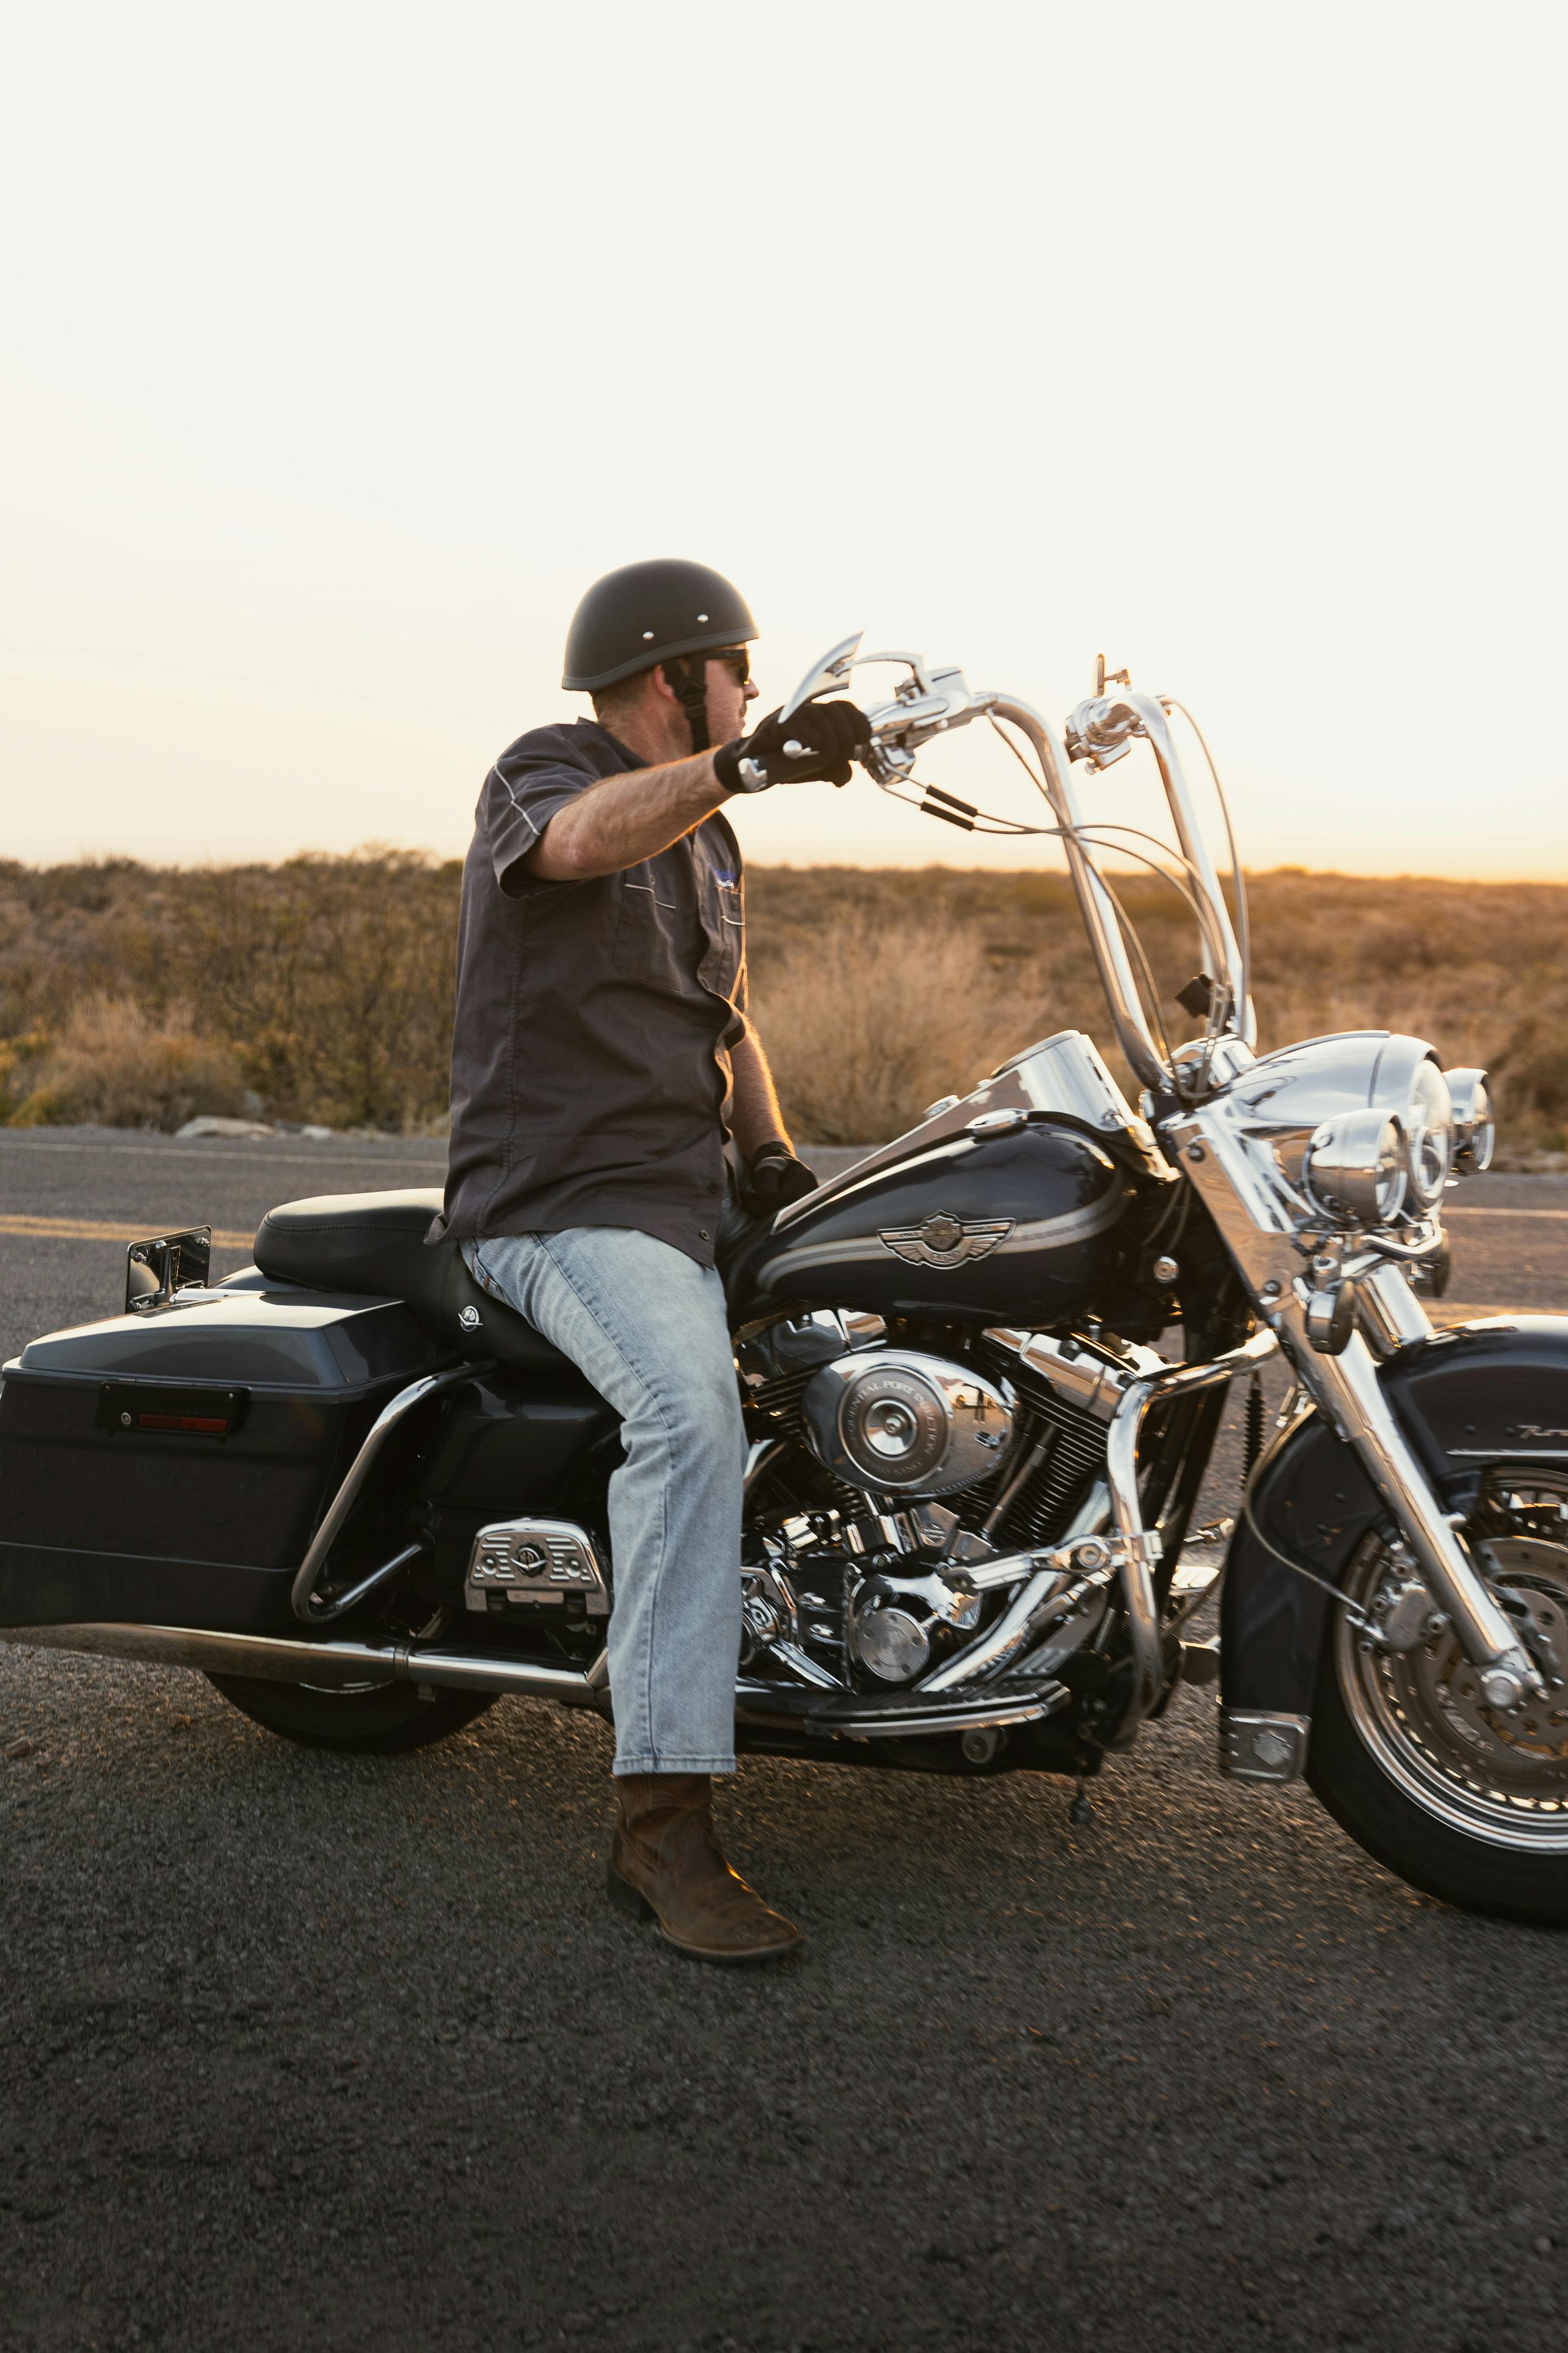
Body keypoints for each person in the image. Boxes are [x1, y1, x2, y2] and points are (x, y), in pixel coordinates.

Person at [433, 560, 868, 1963]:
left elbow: (724, 1023)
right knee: (688, 1420)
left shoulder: (711, 846)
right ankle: (659, 1822)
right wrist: (739, 763)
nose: (751, 689)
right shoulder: (547, 771)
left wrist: (780, 1167)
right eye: (739, 670)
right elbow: (573, 843)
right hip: (556, 1197)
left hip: (684, 1195)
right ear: (675, 676)